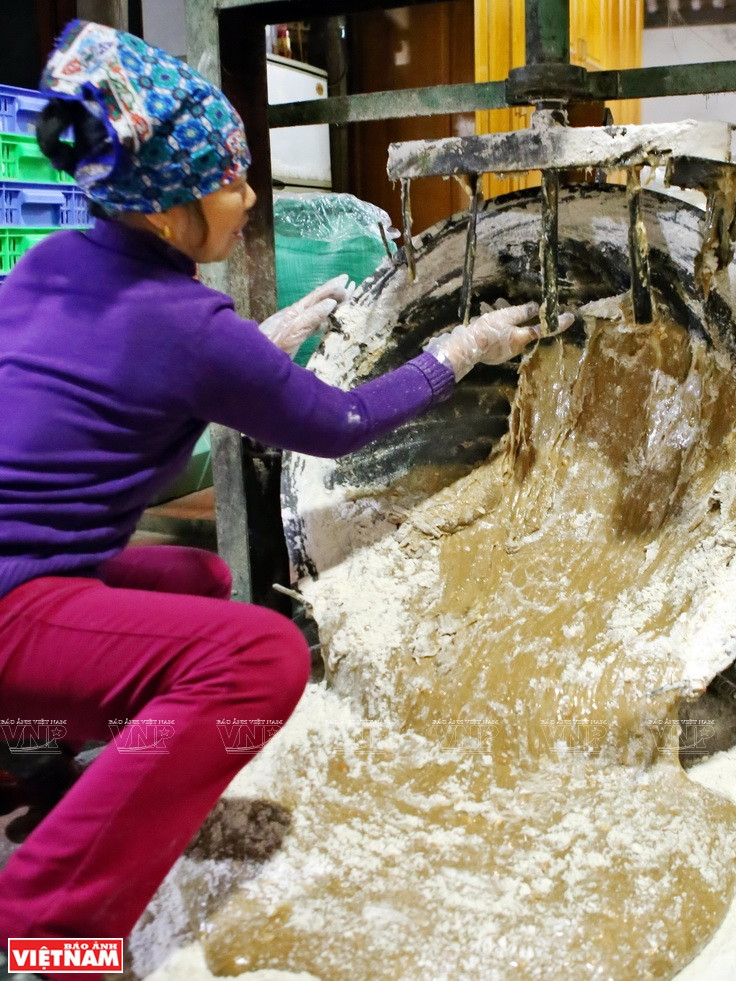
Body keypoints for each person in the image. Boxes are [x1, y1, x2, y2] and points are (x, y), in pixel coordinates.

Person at [0, 19, 573, 979]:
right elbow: (343, 424)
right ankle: (44, 931)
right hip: (13, 602)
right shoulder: (190, 326)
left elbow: (113, 424)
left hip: (24, 570)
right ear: (169, 209)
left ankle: (32, 762)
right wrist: (457, 353)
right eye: (232, 181)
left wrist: (248, 350)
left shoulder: (47, 266)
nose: (251, 196)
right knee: (259, 656)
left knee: (196, 576)